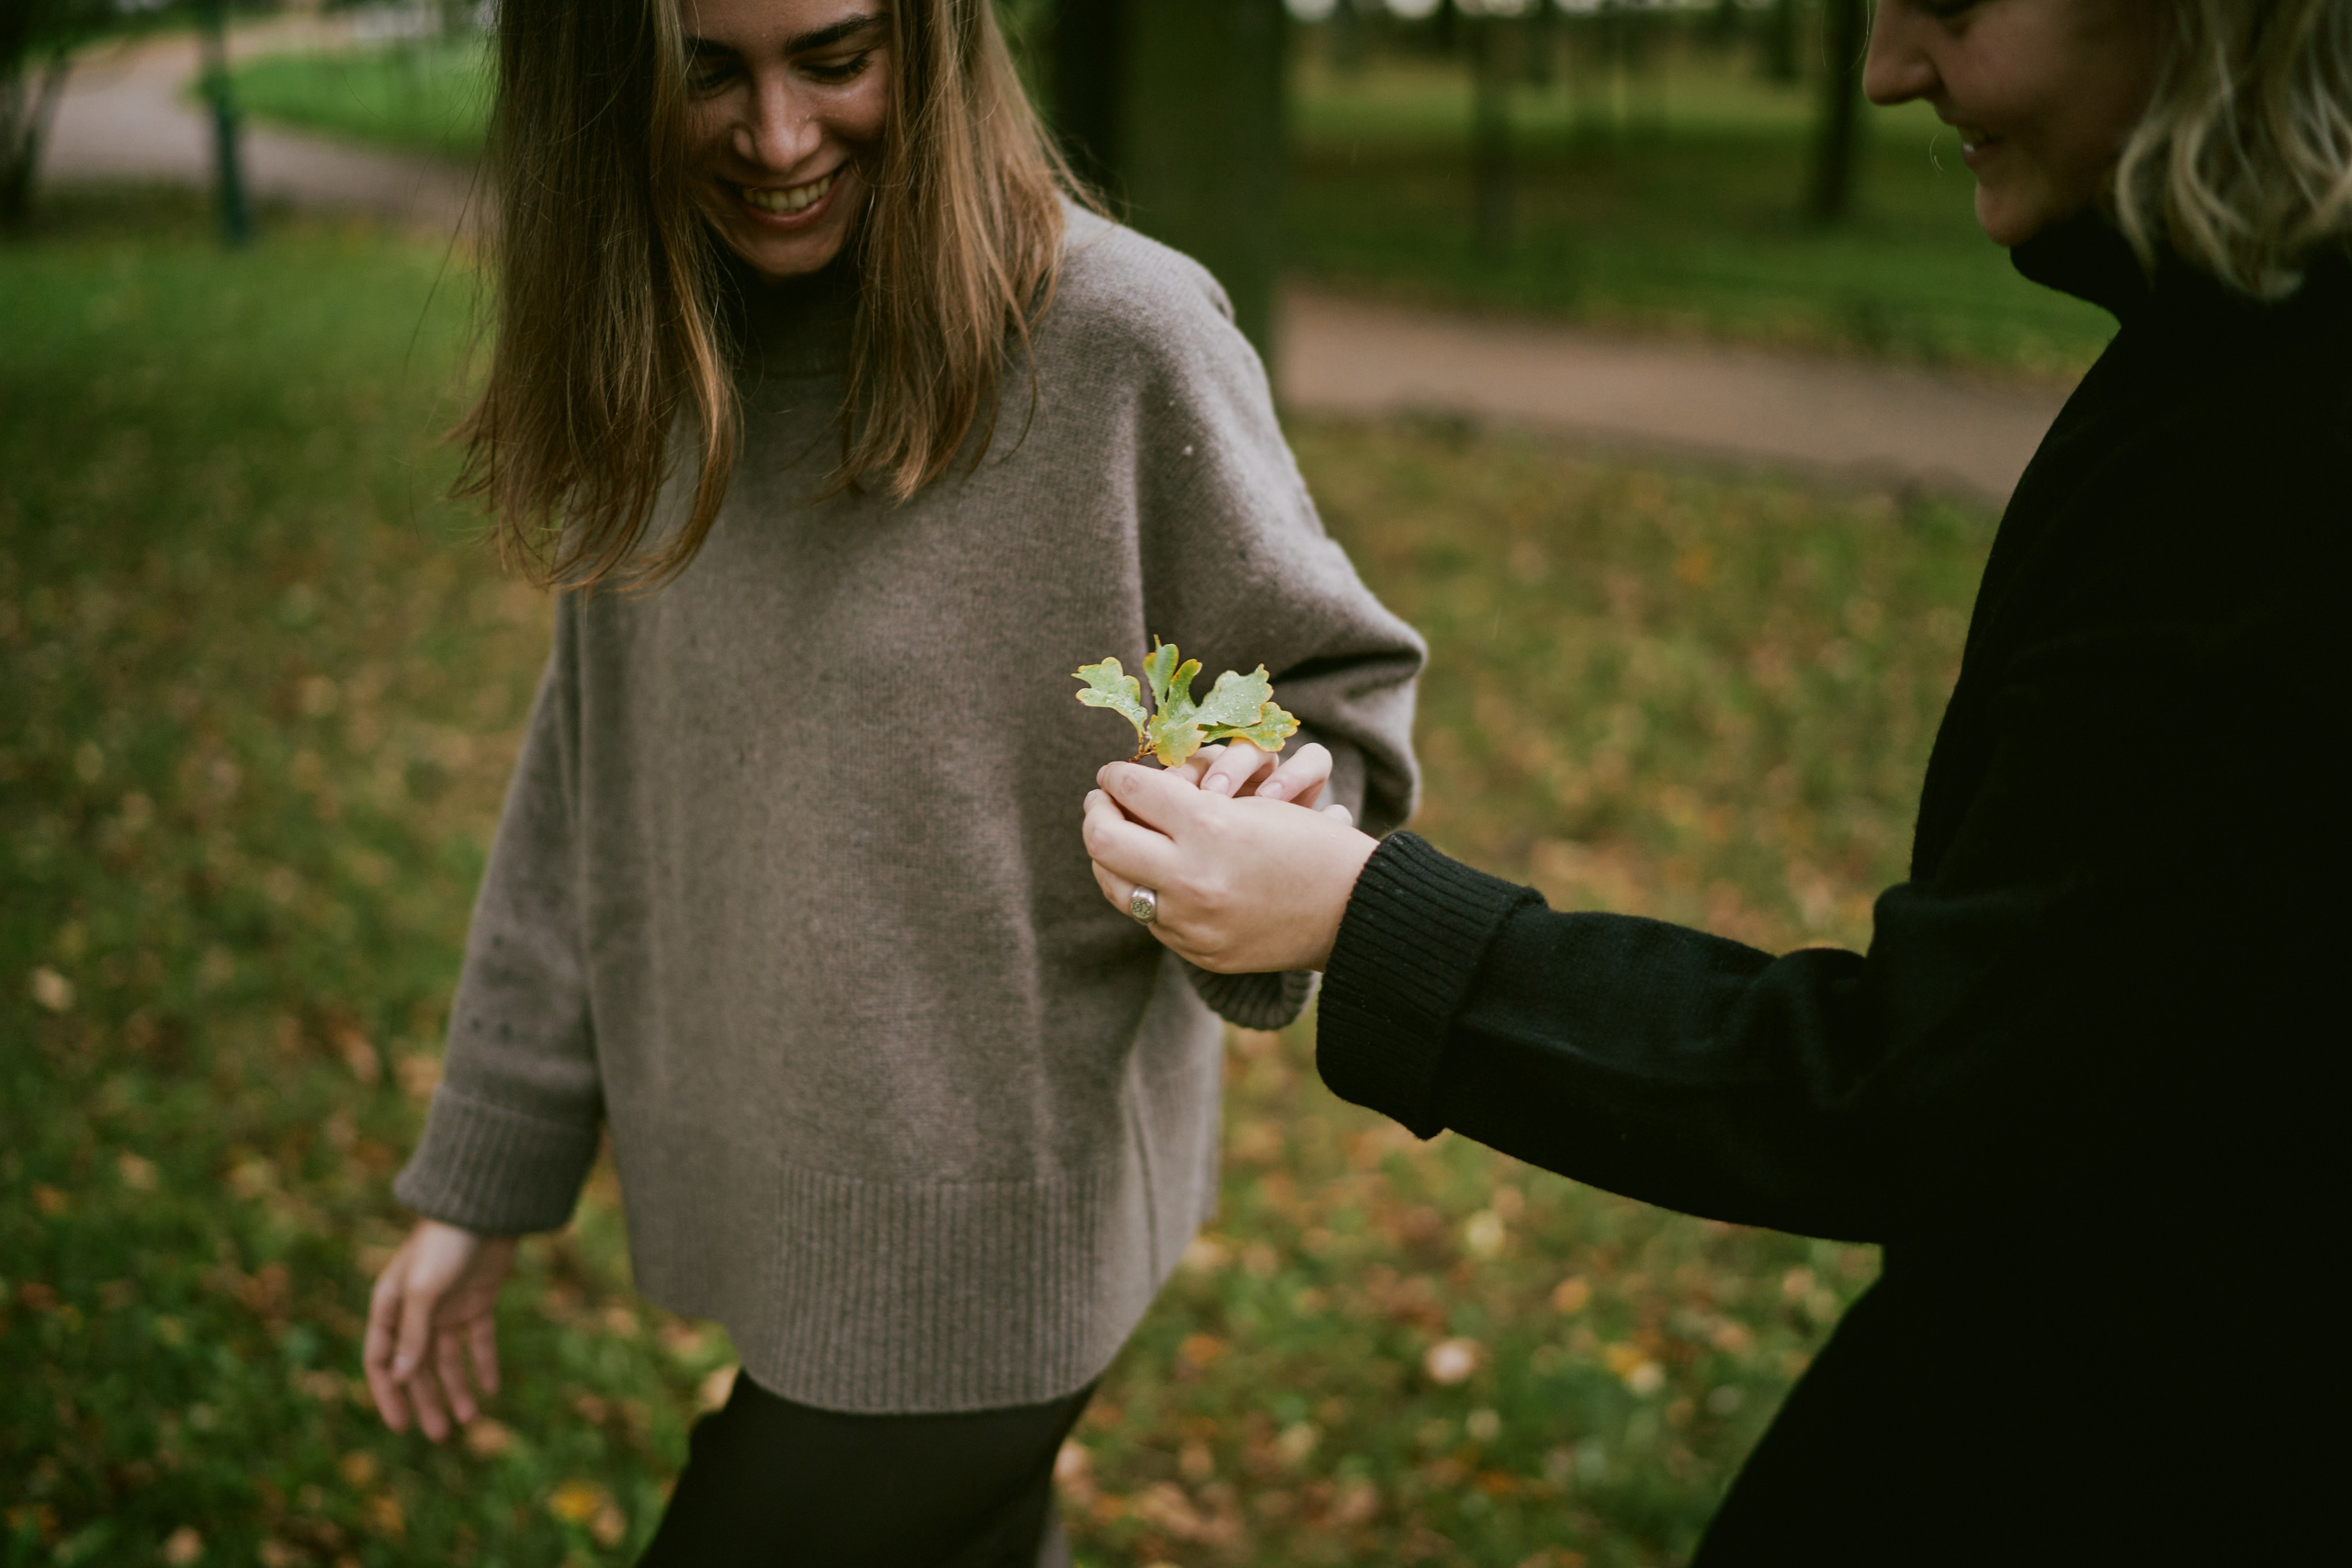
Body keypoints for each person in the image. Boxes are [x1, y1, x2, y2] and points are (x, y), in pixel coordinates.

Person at [1082, 0, 2347, 1557]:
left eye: (1951, 3)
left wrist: (1366, 917)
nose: (1885, 72)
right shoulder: (2222, 368)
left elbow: (1924, 1086)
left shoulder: (2274, 470)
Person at [356, 0, 1424, 1561]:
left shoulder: (1120, 336)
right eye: (707, 72)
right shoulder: (662, 342)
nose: (778, 138)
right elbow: (592, 782)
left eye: (835, 58)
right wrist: (485, 1171)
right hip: (772, 1196)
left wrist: (1263, 818)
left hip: (998, 1239)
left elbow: (1337, 698)